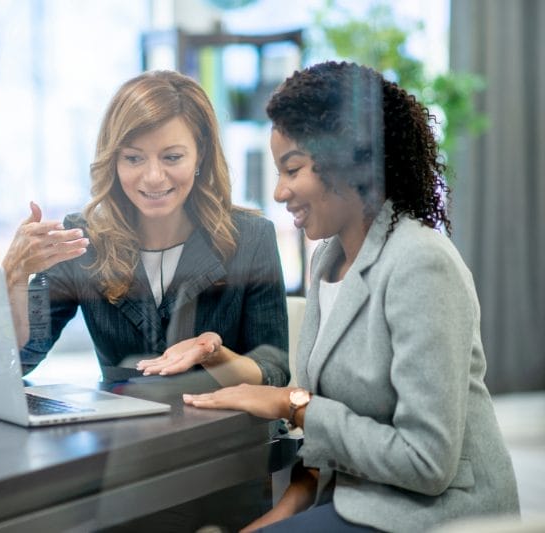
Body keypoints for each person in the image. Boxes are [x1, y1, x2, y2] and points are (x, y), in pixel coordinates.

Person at [157, 61, 520, 532]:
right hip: (361, 501)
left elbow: (428, 464)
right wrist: (276, 517)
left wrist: (293, 404)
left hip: (440, 515)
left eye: (293, 169)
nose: (280, 190)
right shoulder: (327, 260)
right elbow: (325, 447)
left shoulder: (420, 263)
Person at [2, 69, 290, 531]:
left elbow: (275, 368)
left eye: (172, 156)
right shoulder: (85, 240)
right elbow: (20, 359)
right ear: (113, 162)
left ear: (200, 156)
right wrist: (14, 278)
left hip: (226, 455)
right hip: (126, 456)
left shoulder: (250, 238)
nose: (153, 177)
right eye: (133, 158)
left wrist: (213, 352)